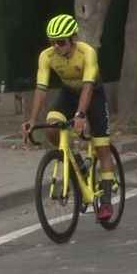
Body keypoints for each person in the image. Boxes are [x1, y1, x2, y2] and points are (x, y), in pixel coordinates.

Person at [21, 14, 115, 221]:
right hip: (69, 94)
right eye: (52, 42)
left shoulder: (86, 52)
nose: (56, 46)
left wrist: (81, 115)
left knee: (102, 146)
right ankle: (77, 161)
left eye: (61, 42)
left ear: (72, 39)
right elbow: (41, 88)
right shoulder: (47, 56)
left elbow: (88, 86)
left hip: (93, 94)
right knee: (52, 128)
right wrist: (32, 119)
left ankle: (106, 200)